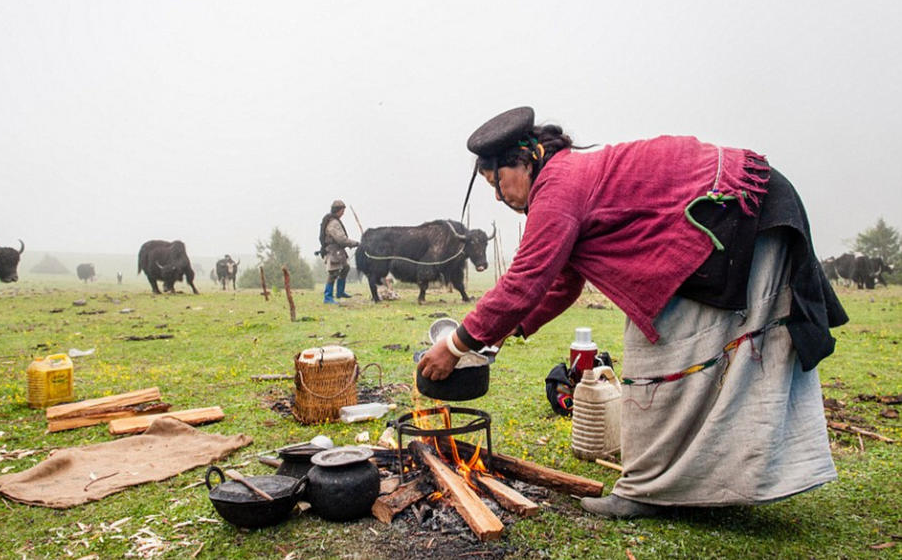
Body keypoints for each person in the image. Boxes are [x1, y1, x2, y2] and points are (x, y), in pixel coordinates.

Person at [417, 106, 847, 518]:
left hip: (738, 213)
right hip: (727, 217)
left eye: (498, 181)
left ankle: (652, 490)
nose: (498, 195)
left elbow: (526, 278)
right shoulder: (565, 181)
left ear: (527, 159)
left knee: (667, 356)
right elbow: (562, 282)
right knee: (666, 355)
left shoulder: (560, 185)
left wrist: (456, 345)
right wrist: (500, 332)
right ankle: (672, 485)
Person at [319, 199, 360, 304]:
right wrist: (355, 243)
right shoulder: (333, 223)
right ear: (338, 210)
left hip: (338, 251)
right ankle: (327, 297)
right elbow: (341, 239)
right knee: (333, 273)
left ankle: (340, 292)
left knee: (345, 268)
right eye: (342, 210)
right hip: (333, 251)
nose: (343, 213)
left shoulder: (335, 221)